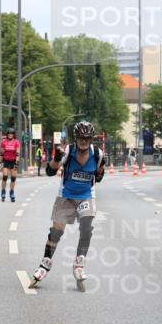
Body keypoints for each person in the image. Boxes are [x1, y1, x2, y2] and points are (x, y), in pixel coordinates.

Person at [28, 121, 106, 293]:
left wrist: (100, 171)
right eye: (80, 138)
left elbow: (99, 176)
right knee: (57, 231)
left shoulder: (98, 154)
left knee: (86, 228)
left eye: (87, 138)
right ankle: (45, 264)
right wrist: (57, 158)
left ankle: (79, 263)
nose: (84, 141)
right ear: (76, 138)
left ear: (91, 139)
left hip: (86, 195)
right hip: (66, 196)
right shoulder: (68, 152)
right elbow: (49, 171)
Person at [0, 129, 22, 202]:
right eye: (9, 133)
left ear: (13, 134)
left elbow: (17, 153)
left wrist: (16, 163)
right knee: (5, 176)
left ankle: (11, 192)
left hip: (13, 161)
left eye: (11, 133)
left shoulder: (16, 142)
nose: (10, 135)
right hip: (6, 160)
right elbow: (1, 153)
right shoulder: (4, 142)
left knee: (13, 178)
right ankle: (3, 191)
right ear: (7, 134)